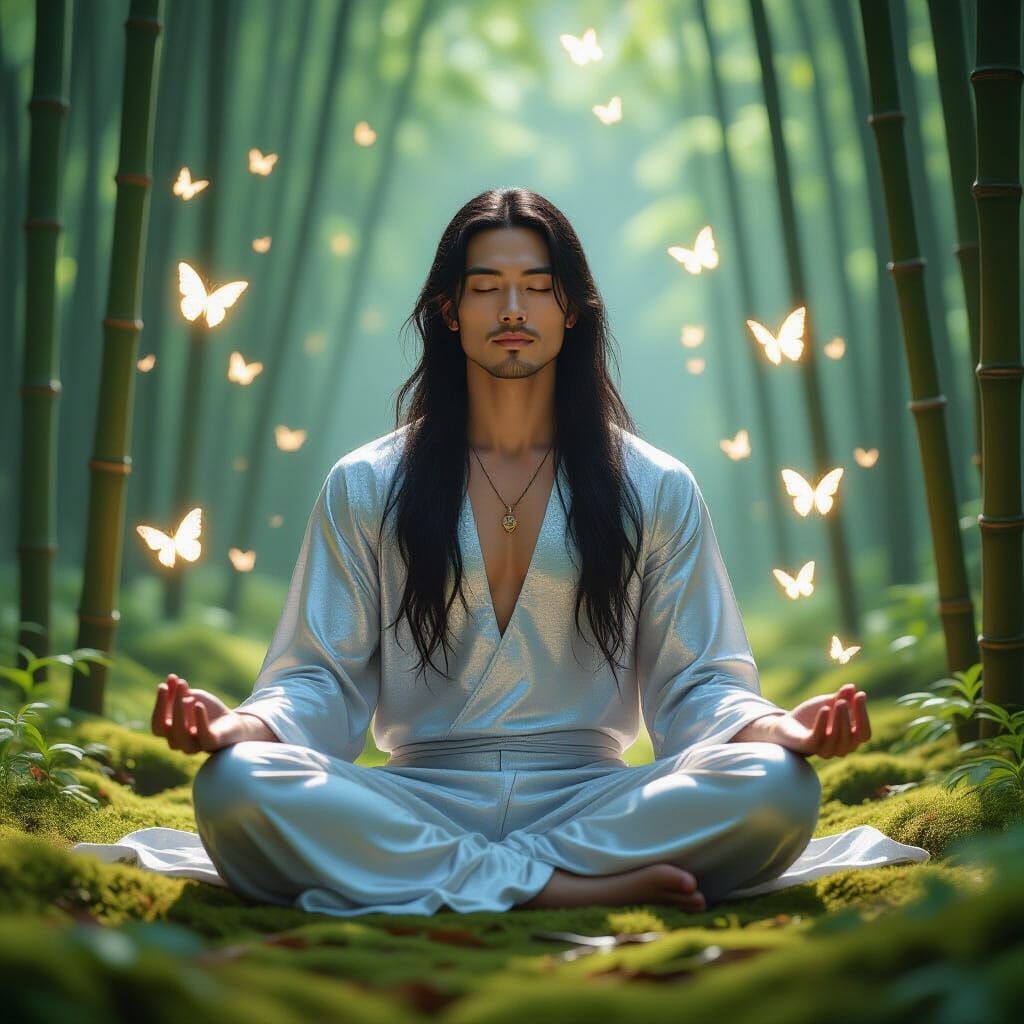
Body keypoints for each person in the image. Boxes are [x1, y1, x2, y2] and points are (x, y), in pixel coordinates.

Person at [151, 188, 889, 918]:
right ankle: (556, 886)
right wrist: (237, 728)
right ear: (449, 310)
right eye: (486, 288)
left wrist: (778, 728)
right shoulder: (366, 482)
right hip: (421, 796)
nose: (512, 309)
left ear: (571, 311)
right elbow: (319, 680)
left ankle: (458, 878)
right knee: (235, 784)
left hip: (595, 799)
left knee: (778, 786)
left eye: (537, 287)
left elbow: (698, 686)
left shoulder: (655, 485)